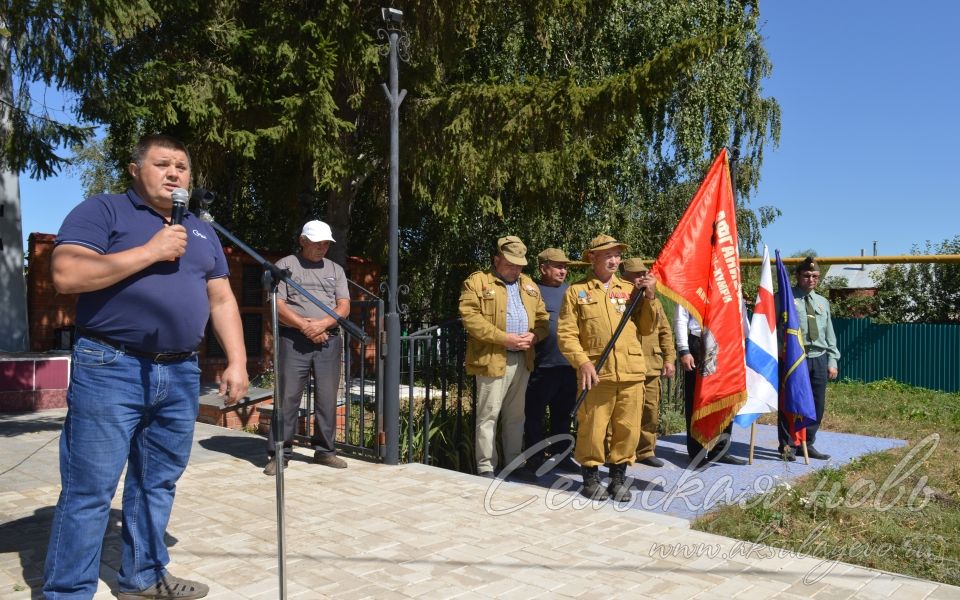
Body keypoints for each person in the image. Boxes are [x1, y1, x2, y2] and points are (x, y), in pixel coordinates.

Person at [43, 134, 249, 599]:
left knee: (158, 481)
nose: (175, 173)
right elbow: (66, 274)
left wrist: (237, 360)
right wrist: (151, 251)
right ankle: (68, 592)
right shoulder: (103, 210)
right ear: (135, 170)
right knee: (90, 489)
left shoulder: (201, 230)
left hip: (179, 372)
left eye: (182, 166)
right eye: (162, 163)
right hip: (110, 365)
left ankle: (143, 577)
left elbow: (221, 297)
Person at [557, 234, 659, 502]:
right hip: (596, 373)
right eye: (608, 255)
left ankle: (618, 479)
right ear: (592, 258)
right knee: (592, 427)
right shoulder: (576, 291)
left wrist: (649, 297)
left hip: (631, 371)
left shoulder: (629, 290)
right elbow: (567, 335)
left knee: (627, 428)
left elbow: (648, 328)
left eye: (617, 255)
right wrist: (582, 362)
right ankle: (590, 478)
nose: (614, 260)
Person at [264, 220, 351, 475]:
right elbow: (278, 306)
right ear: (303, 240)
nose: (322, 247)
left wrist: (323, 324)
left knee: (327, 398)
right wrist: (305, 326)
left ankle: (325, 451)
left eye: (326, 243)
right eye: (316, 242)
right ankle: (279, 453)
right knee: (288, 397)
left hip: (329, 340)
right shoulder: (285, 266)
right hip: (293, 340)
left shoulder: (335, 269)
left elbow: (343, 305)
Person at [459, 236, 550, 478]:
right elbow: (470, 318)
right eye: (510, 263)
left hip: (523, 359)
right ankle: (486, 466)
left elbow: (543, 320)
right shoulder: (477, 282)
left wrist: (534, 337)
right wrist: (504, 338)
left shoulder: (529, 285)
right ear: (496, 259)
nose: (516, 269)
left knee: (516, 415)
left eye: (520, 265)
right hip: (492, 358)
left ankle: (514, 463)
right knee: (488, 414)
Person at [778, 256, 840, 461]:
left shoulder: (822, 302)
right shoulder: (785, 298)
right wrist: (780, 351)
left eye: (815, 276)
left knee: (817, 404)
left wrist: (832, 360)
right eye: (806, 275)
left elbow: (828, 333)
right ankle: (788, 446)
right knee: (790, 402)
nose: (811, 279)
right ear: (797, 276)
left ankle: (809, 442)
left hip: (818, 357)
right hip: (795, 358)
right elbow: (773, 326)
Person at [523, 248, 578, 473]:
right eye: (558, 266)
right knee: (534, 414)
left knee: (563, 415)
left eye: (565, 267)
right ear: (543, 268)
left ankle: (562, 456)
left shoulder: (571, 292)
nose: (563, 270)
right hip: (542, 365)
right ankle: (534, 459)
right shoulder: (532, 292)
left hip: (569, 365)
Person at [675, 305, 747, 467]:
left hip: (729, 342)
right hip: (700, 340)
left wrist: (746, 340)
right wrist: (683, 350)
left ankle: (720, 450)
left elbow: (739, 312)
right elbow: (681, 317)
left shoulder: (731, 280)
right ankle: (697, 453)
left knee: (726, 397)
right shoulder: (692, 280)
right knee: (698, 399)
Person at [621, 258, 675, 467]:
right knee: (623, 413)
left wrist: (669, 359)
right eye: (635, 274)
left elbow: (665, 332)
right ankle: (617, 452)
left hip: (651, 365)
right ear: (623, 277)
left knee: (650, 411)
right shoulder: (619, 299)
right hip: (626, 365)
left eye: (642, 274)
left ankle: (645, 451)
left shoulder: (653, 301)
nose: (640, 278)